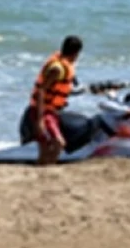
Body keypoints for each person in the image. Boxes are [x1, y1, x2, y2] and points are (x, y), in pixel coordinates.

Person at [18, 35, 91, 166]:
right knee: (59, 143)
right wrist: (40, 120)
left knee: (46, 147)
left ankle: (42, 170)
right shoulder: (57, 69)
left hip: (49, 111)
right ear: (76, 53)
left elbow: (64, 89)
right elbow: (41, 91)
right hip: (41, 111)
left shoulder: (63, 64)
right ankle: (47, 168)